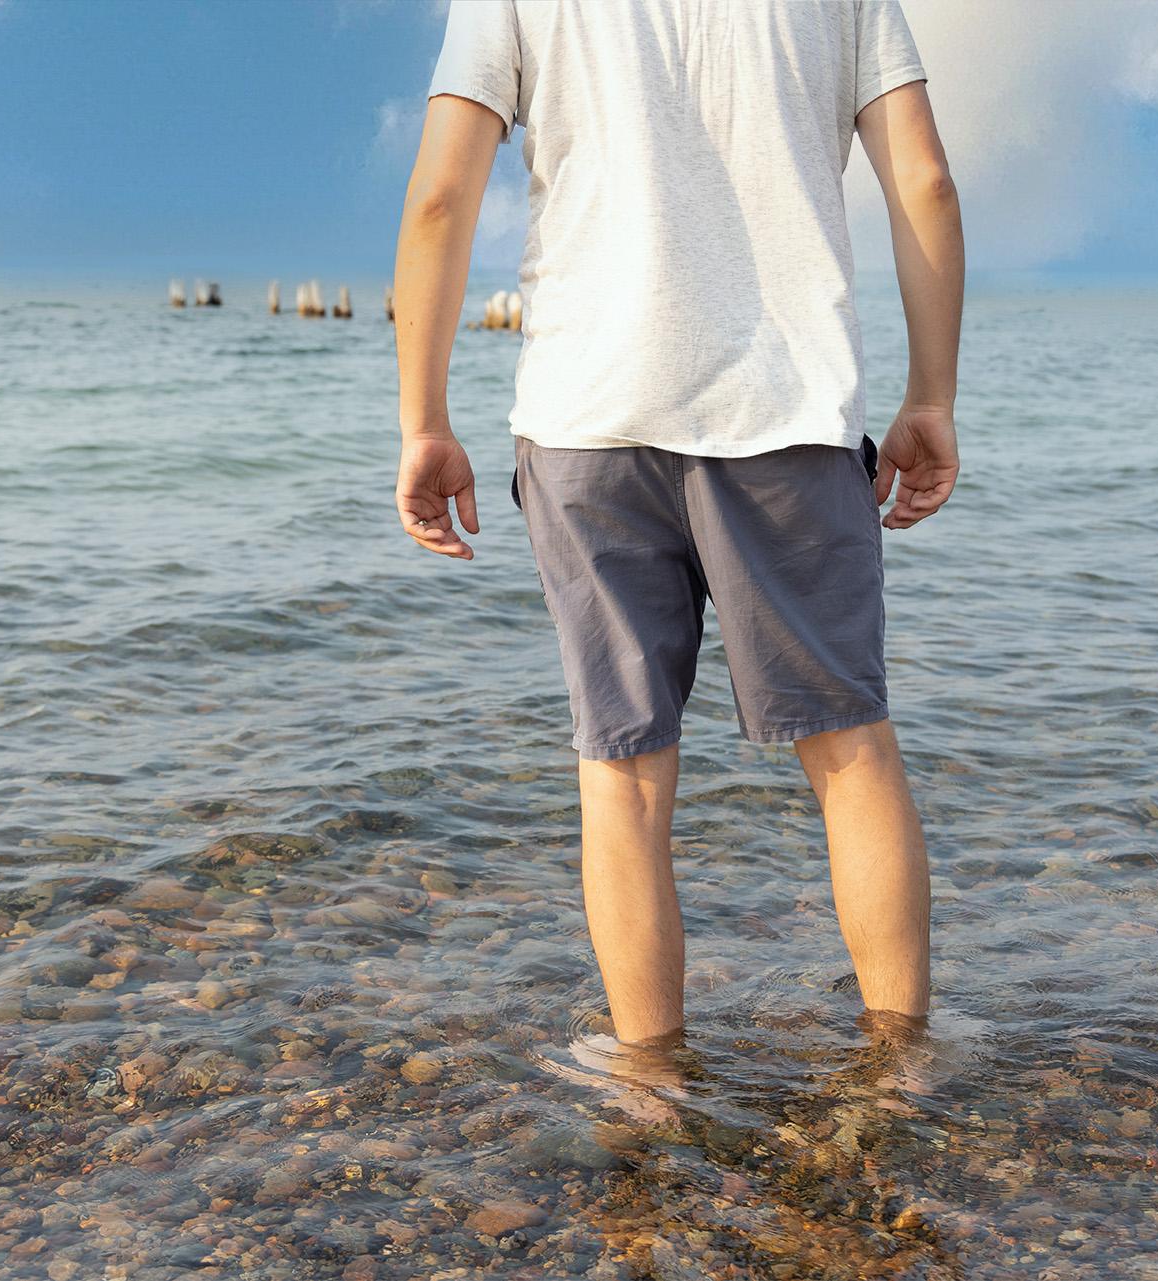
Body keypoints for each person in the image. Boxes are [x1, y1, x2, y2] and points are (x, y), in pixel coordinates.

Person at [392, 0, 963, 1048]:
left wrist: (424, 418)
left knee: (624, 774)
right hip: (786, 416)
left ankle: (649, 1085)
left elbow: (440, 200)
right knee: (850, 754)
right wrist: (933, 395)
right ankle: (901, 1073)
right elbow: (921, 179)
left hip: (587, 418)